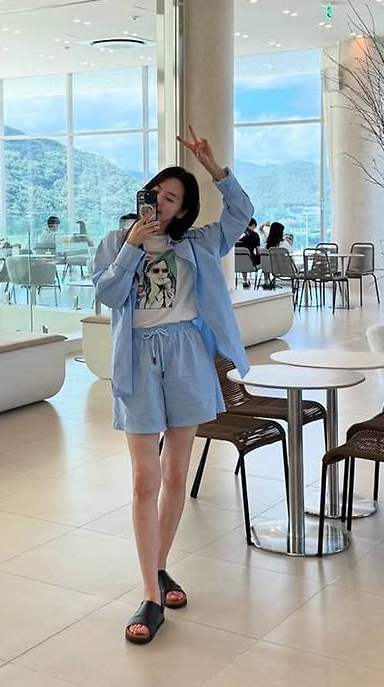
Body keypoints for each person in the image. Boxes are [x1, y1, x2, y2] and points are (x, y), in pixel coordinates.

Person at [93, 126, 253, 646]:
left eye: (170, 199)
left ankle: (159, 569)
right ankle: (149, 594)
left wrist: (214, 169)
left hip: (186, 354)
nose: (159, 204)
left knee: (176, 471)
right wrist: (132, 248)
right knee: (145, 477)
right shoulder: (115, 241)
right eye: (155, 193)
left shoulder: (198, 242)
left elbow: (241, 214)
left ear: (184, 210)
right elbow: (108, 295)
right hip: (138, 358)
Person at [235, 217, 260, 288]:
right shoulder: (255, 235)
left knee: (243, 258)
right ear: (253, 225)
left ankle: (245, 281)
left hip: (236, 263)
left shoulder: (237, 234)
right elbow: (258, 251)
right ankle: (266, 281)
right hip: (251, 262)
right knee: (263, 258)